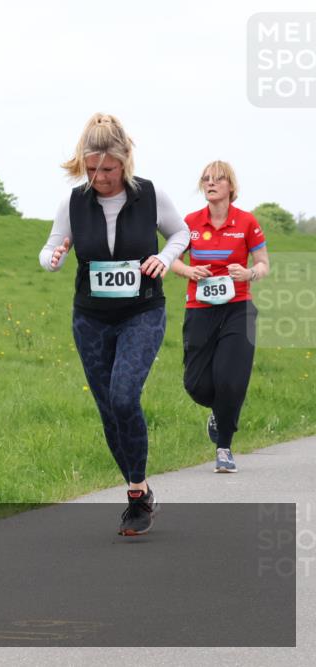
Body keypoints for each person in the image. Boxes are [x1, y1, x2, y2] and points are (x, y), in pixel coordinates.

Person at [39, 113, 190, 536]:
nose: (100, 177)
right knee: (108, 408)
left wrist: (165, 257)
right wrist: (53, 257)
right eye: (91, 169)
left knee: (124, 396)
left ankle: (137, 492)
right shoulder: (73, 202)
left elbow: (182, 234)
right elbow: (51, 247)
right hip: (90, 318)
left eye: (108, 169)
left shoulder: (150, 196)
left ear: (125, 161)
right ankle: (137, 492)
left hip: (142, 312)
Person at [170, 161, 269, 473]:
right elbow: (173, 259)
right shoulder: (190, 222)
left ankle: (224, 447)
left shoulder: (247, 222)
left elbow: (264, 262)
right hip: (200, 309)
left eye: (218, 179)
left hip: (238, 308)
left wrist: (249, 272)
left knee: (230, 379)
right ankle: (218, 410)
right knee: (196, 384)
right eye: (206, 179)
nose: (210, 183)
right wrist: (189, 270)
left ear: (230, 186)